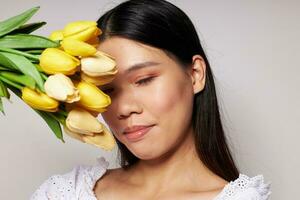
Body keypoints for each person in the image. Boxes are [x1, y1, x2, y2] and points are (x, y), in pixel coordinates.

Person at [30, 0, 272, 199]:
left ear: (195, 75)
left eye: (144, 80)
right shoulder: (64, 193)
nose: (124, 108)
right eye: (108, 90)